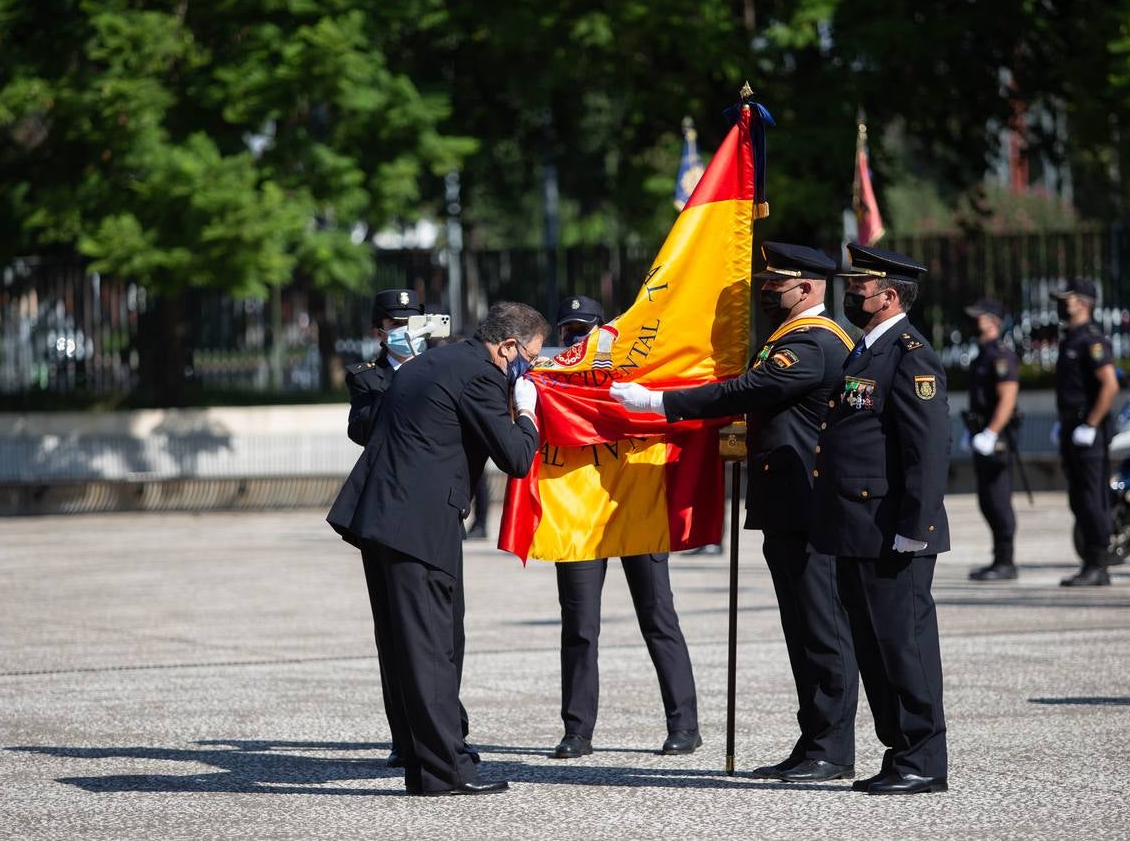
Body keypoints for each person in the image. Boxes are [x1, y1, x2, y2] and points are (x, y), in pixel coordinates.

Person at [611, 243, 858, 783]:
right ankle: (814, 740)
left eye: (779, 283)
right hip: (786, 505)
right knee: (801, 629)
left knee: (823, 629)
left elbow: (751, 388)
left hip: (809, 507)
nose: (768, 290)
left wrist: (658, 402)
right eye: (767, 282)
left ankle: (833, 749)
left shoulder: (815, 343)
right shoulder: (788, 339)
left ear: (810, 288)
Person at [326, 302, 548, 796]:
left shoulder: (433, 362)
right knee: (432, 648)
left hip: (382, 517)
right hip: (418, 525)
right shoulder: (480, 375)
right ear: (507, 347)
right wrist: (527, 410)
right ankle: (443, 772)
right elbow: (514, 457)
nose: (529, 366)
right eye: (528, 357)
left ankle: (425, 762)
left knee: (410, 645)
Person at [809, 244, 950, 796]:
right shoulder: (866, 352)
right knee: (874, 647)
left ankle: (924, 760)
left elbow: (928, 449)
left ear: (888, 296)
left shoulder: (911, 353)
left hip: (895, 529)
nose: (852, 294)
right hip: (857, 527)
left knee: (904, 647)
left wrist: (915, 528)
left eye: (860, 287)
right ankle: (899, 752)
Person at [547, 294, 702, 760]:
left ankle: (685, 725)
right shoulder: (551, 382)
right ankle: (577, 730)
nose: (577, 339)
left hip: (635, 507)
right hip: (579, 513)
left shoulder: (637, 377)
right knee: (579, 626)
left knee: (658, 618)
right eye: (569, 332)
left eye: (585, 330)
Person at [1053, 278, 1120, 587]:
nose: (1061, 304)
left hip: (1088, 429)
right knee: (1079, 498)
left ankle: (1098, 564)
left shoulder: (1091, 340)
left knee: (1093, 498)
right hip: (1073, 426)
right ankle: (1090, 562)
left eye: (1067, 299)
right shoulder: (1071, 337)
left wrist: (1091, 424)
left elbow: (1109, 384)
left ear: (1082, 302)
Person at [963, 298, 1022, 581]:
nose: (976, 321)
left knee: (998, 499)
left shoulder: (1000, 355)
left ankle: (1006, 561)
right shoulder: (982, 354)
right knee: (987, 499)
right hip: (981, 431)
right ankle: (998, 558)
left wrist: (991, 432)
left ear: (994, 321)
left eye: (981, 317)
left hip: (996, 437)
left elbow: (1007, 398)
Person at [346, 289, 424, 446]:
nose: (406, 329)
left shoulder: (438, 369)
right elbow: (361, 433)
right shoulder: (365, 377)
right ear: (378, 333)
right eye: (396, 324)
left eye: (411, 323)